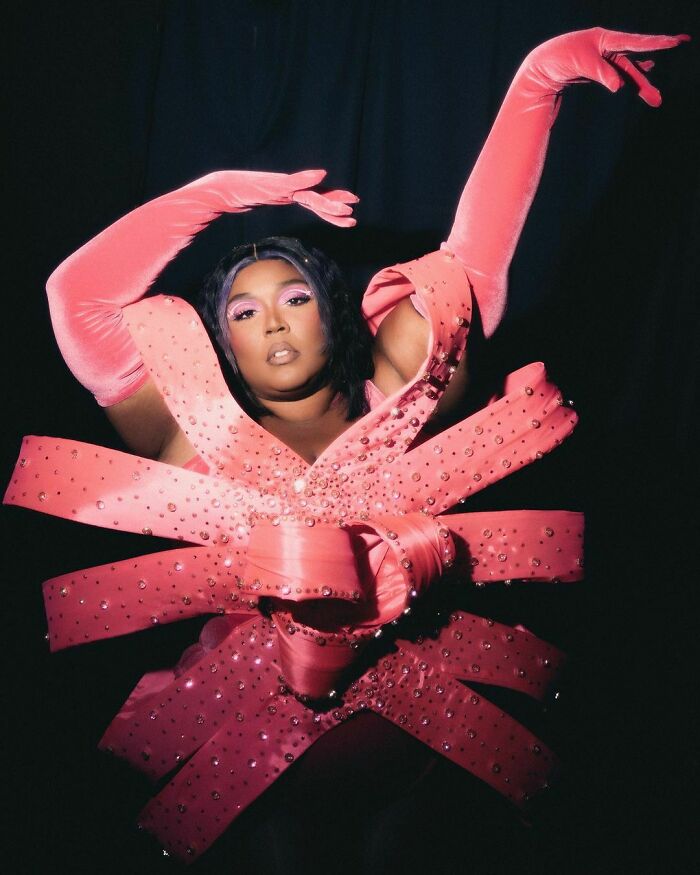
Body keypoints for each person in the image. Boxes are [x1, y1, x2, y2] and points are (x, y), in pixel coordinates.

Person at [4, 27, 689, 870]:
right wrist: (212, 197)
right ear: (223, 346)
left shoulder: (396, 398)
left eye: (293, 297)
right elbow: (76, 297)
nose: (273, 322)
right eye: (244, 312)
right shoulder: (191, 430)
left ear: (332, 313)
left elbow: (469, 268)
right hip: (254, 775)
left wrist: (535, 84)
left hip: (428, 754)